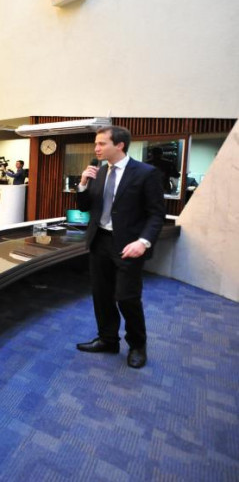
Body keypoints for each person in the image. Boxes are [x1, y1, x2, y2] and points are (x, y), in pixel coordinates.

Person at [76, 125, 165, 369]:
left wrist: (143, 242)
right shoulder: (99, 173)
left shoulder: (146, 173)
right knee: (101, 295)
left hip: (129, 244)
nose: (96, 148)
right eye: (96, 144)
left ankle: (137, 345)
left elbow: (157, 214)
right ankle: (107, 340)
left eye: (101, 144)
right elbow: (85, 207)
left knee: (127, 297)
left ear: (120, 145)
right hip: (100, 241)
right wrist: (83, 184)